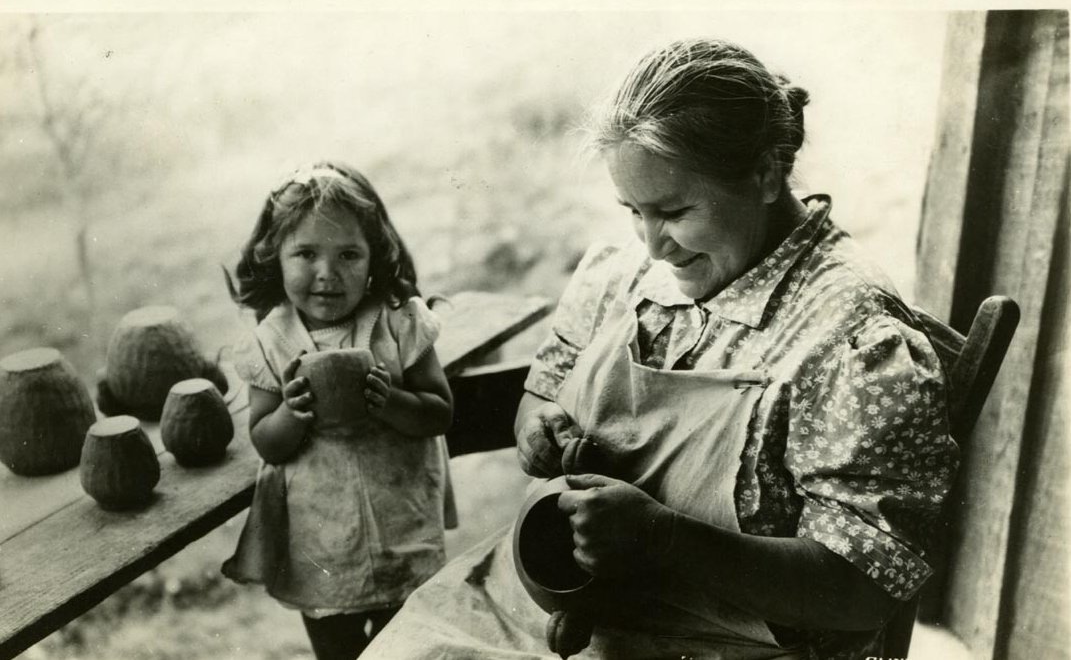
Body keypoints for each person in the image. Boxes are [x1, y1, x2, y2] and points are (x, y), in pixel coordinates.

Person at [363, 38, 959, 660]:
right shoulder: (618, 274)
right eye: (633, 210)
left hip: (720, 638)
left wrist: (665, 538)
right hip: (559, 604)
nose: (651, 245)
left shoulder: (852, 340)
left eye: (673, 211)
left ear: (766, 174)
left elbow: (862, 588)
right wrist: (540, 429)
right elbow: (539, 396)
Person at [220, 161, 454, 660]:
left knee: (413, 648)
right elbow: (266, 441)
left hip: (401, 530)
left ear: (375, 257)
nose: (327, 274)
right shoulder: (270, 342)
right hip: (322, 546)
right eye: (306, 253)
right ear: (274, 259)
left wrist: (390, 400)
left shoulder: (398, 323)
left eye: (348, 254)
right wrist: (291, 412)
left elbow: (438, 412)